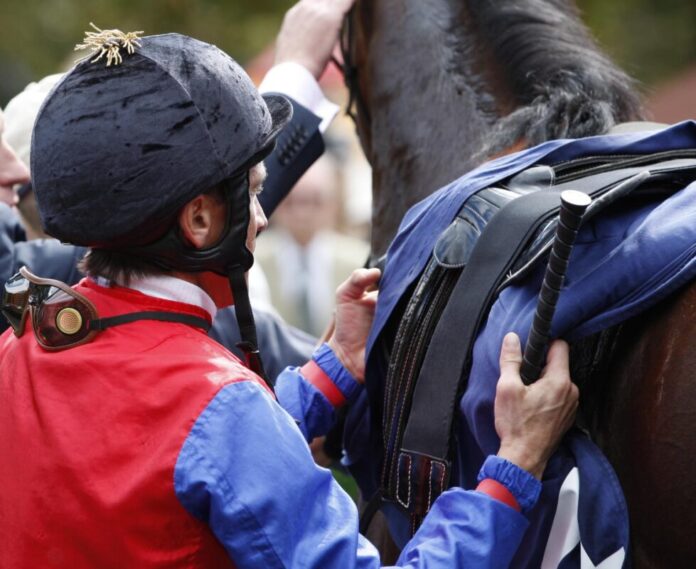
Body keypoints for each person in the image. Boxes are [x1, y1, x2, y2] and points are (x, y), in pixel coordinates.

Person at [0, 2, 578, 567]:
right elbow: (217, 436)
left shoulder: (19, 348)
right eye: (253, 192)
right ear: (199, 221)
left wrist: (333, 368)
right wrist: (514, 466)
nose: (262, 217)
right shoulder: (221, 407)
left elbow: (186, 455)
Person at [255, 155, 369, 335]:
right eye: (291, 202)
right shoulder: (253, 262)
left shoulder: (359, 262)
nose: (302, 213)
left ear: (334, 203)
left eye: (315, 201)